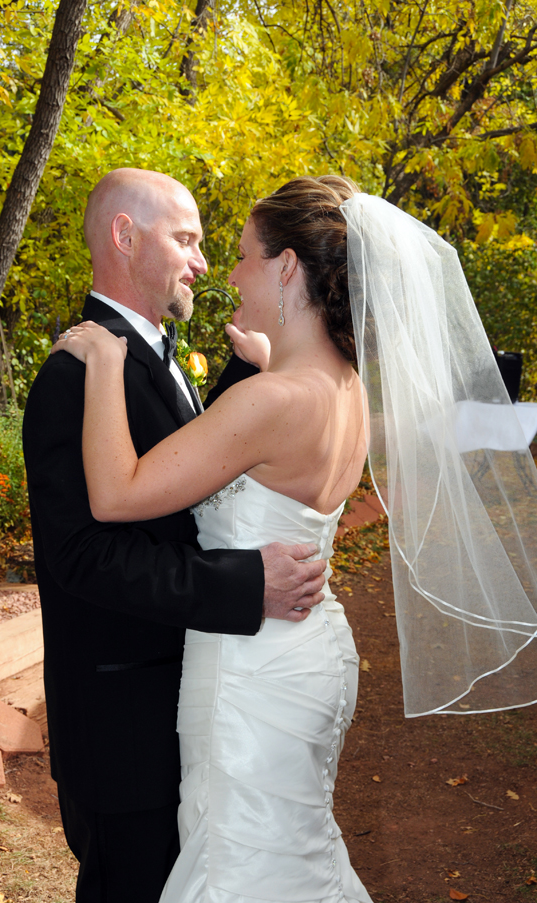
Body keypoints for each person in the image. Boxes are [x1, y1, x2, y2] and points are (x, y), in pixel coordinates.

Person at [53, 174, 537, 901]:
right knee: (293, 850)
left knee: (242, 862)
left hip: (253, 671)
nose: (228, 270)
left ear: (286, 267)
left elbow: (117, 493)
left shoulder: (272, 398)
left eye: (245, 254)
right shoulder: (347, 389)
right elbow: (340, 504)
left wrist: (106, 365)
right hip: (312, 653)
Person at [22, 168, 329, 903]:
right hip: (122, 729)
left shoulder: (156, 355)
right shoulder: (74, 376)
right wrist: (245, 584)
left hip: (185, 714)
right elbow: (84, 557)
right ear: (126, 238)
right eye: (186, 240)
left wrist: (233, 383)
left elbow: (179, 472)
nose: (201, 261)